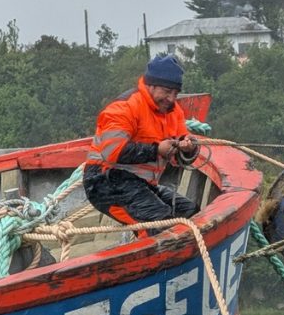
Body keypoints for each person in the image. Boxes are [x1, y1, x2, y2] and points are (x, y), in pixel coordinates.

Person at [83, 55, 199, 235]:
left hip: (142, 183)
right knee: (159, 226)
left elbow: (179, 154)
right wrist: (156, 150)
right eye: (167, 92)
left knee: (191, 213)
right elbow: (113, 151)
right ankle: (155, 259)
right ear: (150, 85)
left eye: (175, 93)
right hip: (105, 182)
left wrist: (188, 148)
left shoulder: (173, 112)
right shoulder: (124, 107)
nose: (171, 98)